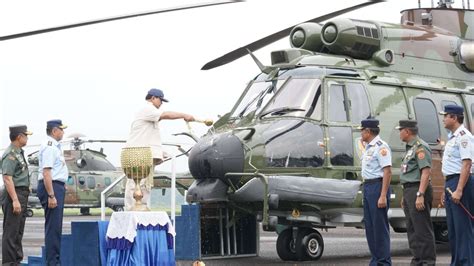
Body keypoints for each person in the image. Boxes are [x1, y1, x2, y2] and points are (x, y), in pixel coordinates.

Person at [124, 88, 194, 210]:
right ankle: (133, 209)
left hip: (144, 154)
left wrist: (160, 153)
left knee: (145, 184)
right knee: (136, 184)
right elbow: (165, 114)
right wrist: (184, 115)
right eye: (160, 100)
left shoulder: (149, 115)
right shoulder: (148, 109)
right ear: (153, 98)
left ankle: (143, 209)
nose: (161, 103)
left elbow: (148, 137)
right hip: (138, 155)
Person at [397, 120, 436, 265]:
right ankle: (418, 260)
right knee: (412, 229)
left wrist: (420, 194)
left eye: (400, 130)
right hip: (409, 190)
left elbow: (425, 172)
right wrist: (404, 195)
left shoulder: (420, 147)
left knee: (422, 229)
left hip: (418, 189)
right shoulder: (410, 148)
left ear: (407, 131)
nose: (399, 133)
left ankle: (427, 262)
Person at [439, 105, 473, 266]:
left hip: (462, 182)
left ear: (454, 117)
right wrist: (446, 189)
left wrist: (459, 190)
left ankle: (466, 263)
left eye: (445, 116)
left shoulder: (463, 136)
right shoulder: (453, 137)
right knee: (453, 229)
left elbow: (466, 164)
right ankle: (457, 262)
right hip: (451, 182)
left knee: (463, 228)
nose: (443, 119)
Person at [359, 118, 392, 266]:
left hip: (377, 187)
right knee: (370, 227)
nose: (360, 133)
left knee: (379, 228)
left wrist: (383, 195)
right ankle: (375, 260)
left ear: (368, 131)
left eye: (362, 130)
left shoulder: (381, 146)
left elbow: (387, 171)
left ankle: (384, 262)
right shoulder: (368, 147)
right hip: (368, 187)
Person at [37, 119, 69, 266]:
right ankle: (52, 263)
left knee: (55, 228)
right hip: (51, 188)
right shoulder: (50, 147)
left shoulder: (55, 147)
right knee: (53, 228)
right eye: (61, 130)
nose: (63, 132)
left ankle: (55, 261)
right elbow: (47, 173)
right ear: (55, 130)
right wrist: (51, 195)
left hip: (56, 186)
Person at [1, 125, 33, 265]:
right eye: (26, 135)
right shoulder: (11, 154)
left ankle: (16, 261)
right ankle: (9, 263)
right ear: (19, 137)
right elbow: (7, 178)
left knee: (18, 231)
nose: (27, 138)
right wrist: (15, 200)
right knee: (11, 232)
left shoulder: (19, 152)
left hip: (21, 194)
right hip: (14, 194)